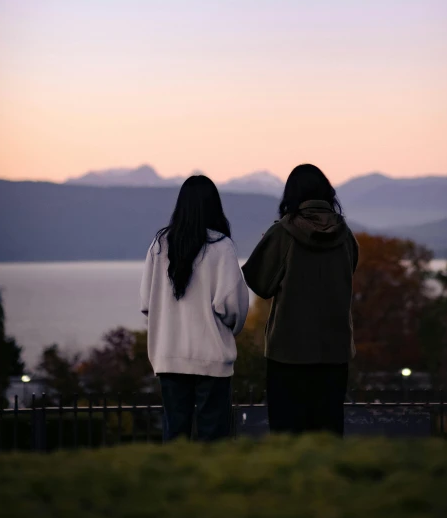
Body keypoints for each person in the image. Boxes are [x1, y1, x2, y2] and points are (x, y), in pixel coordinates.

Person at [243, 164, 358, 435]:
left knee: (287, 432)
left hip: (288, 352)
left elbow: (259, 282)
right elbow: (349, 272)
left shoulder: (283, 233)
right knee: (329, 431)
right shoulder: (346, 236)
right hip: (334, 351)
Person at [140, 175, 249, 441]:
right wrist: (228, 330)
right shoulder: (221, 247)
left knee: (175, 436)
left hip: (169, 355)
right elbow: (232, 306)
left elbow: (146, 304)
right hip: (212, 357)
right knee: (214, 438)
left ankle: (175, 482)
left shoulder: (159, 246)